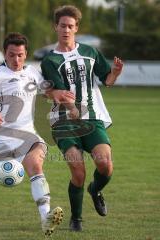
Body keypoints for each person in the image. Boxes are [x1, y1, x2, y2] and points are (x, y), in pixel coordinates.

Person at [0, 32, 74, 236]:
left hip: (27, 135)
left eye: (20, 55)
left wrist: (59, 95)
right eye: (12, 55)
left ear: (26, 54)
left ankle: (46, 218)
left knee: (36, 166)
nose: (16, 60)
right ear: (5, 54)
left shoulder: (32, 73)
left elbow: (47, 92)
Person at [41, 5, 123, 232]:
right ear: (55, 27)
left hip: (92, 118)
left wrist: (114, 73)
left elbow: (106, 79)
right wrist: (71, 107)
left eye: (70, 26)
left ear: (76, 28)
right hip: (64, 122)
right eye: (62, 26)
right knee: (78, 170)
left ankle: (95, 190)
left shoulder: (90, 52)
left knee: (105, 165)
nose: (66, 30)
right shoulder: (49, 61)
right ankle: (76, 219)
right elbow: (59, 92)